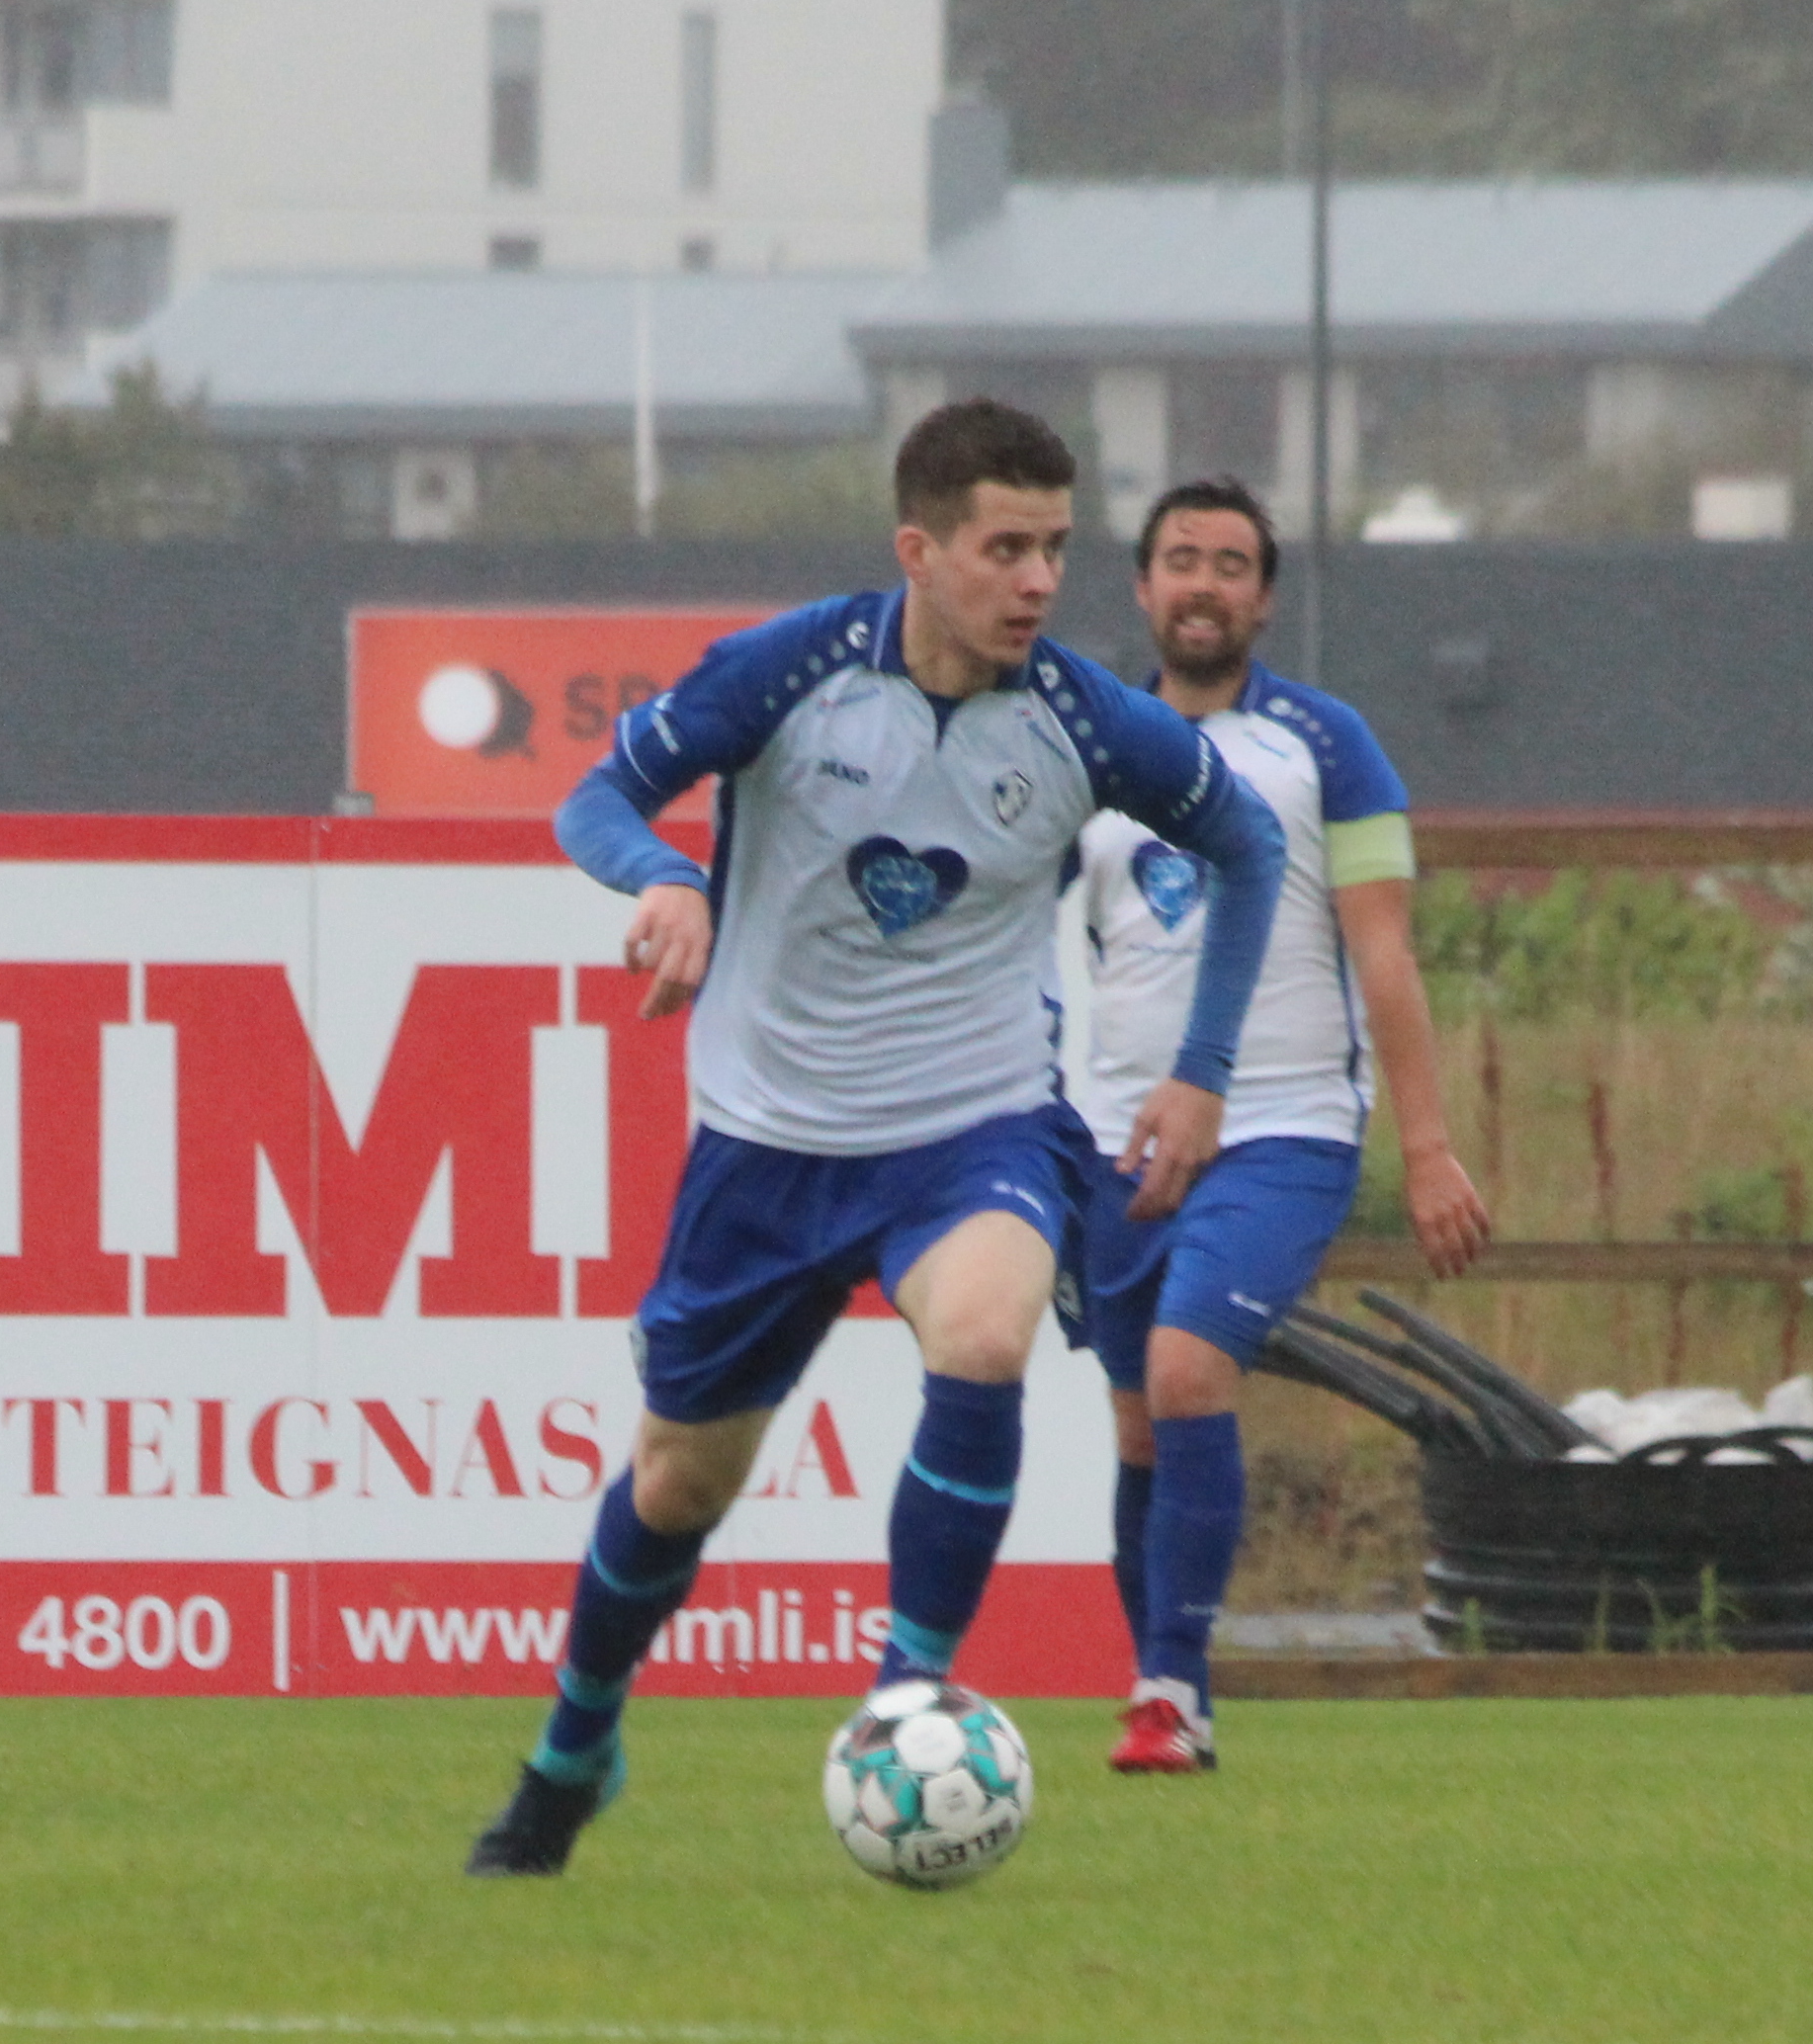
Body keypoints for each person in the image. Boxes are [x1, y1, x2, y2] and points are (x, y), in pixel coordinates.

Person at [467, 400, 1287, 1876]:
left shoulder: (1085, 717)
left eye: (1055, 548)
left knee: (982, 1337)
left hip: (974, 1125)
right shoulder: (790, 671)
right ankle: (574, 1747)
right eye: (1004, 549)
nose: (1038, 581)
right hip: (768, 1141)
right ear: (919, 551)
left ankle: (908, 1701)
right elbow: (598, 797)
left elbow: (1250, 842)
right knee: (678, 1486)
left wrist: (1203, 1074)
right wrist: (665, 879)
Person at [1070, 477, 1489, 1774]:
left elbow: (1386, 954)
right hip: (1114, 1138)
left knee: (1191, 1371)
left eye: (1231, 564)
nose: (1204, 584)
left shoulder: (1326, 744)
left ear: (1263, 599)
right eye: (1181, 560)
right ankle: (1159, 1686)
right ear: (1143, 586)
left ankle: (1172, 1694)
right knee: (1140, 1424)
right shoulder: (1086, 742)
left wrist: (1428, 1147)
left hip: (1285, 1130)